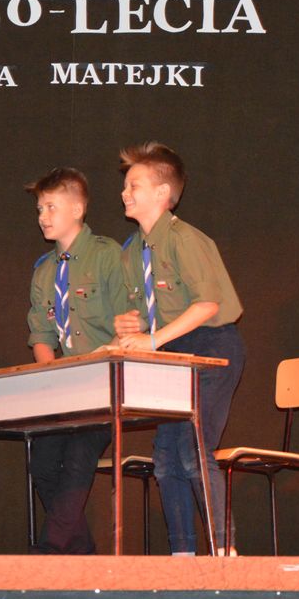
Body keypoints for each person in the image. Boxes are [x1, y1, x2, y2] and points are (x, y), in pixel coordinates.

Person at [113, 142, 246, 555]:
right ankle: (182, 555)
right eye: (125, 185)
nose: (124, 193)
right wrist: (132, 324)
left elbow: (208, 305)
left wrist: (153, 339)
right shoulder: (132, 252)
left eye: (134, 185)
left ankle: (224, 550)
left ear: (162, 192)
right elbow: (146, 314)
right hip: (173, 352)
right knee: (166, 458)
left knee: (192, 449)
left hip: (212, 347)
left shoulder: (185, 239)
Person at [25, 167, 127, 554]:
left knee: (80, 452)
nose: (43, 216)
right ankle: (82, 553)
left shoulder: (107, 255)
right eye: (39, 209)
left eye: (51, 206)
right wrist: (52, 377)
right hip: (67, 390)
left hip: (107, 384)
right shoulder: (44, 272)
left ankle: (49, 550)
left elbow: (129, 321)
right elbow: (41, 335)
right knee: (42, 461)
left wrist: (102, 362)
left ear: (78, 209)